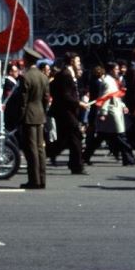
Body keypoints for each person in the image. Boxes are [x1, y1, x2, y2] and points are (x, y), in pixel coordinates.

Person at [47, 52, 88, 174]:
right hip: (65, 112)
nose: (79, 64)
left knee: (64, 140)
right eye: (78, 62)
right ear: (71, 62)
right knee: (76, 137)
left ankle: (45, 153)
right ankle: (77, 166)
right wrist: (79, 103)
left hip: (67, 111)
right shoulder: (65, 74)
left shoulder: (68, 74)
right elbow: (65, 95)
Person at [15, 46, 50, 189]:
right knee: (40, 148)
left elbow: (23, 101)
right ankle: (41, 179)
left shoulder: (25, 77)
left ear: (27, 60)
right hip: (40, 114)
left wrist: (20, 117)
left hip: (29, 115)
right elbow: (46, 98)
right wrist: (43, 110)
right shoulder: (43, 77)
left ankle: (33, 180)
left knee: (31, 149)